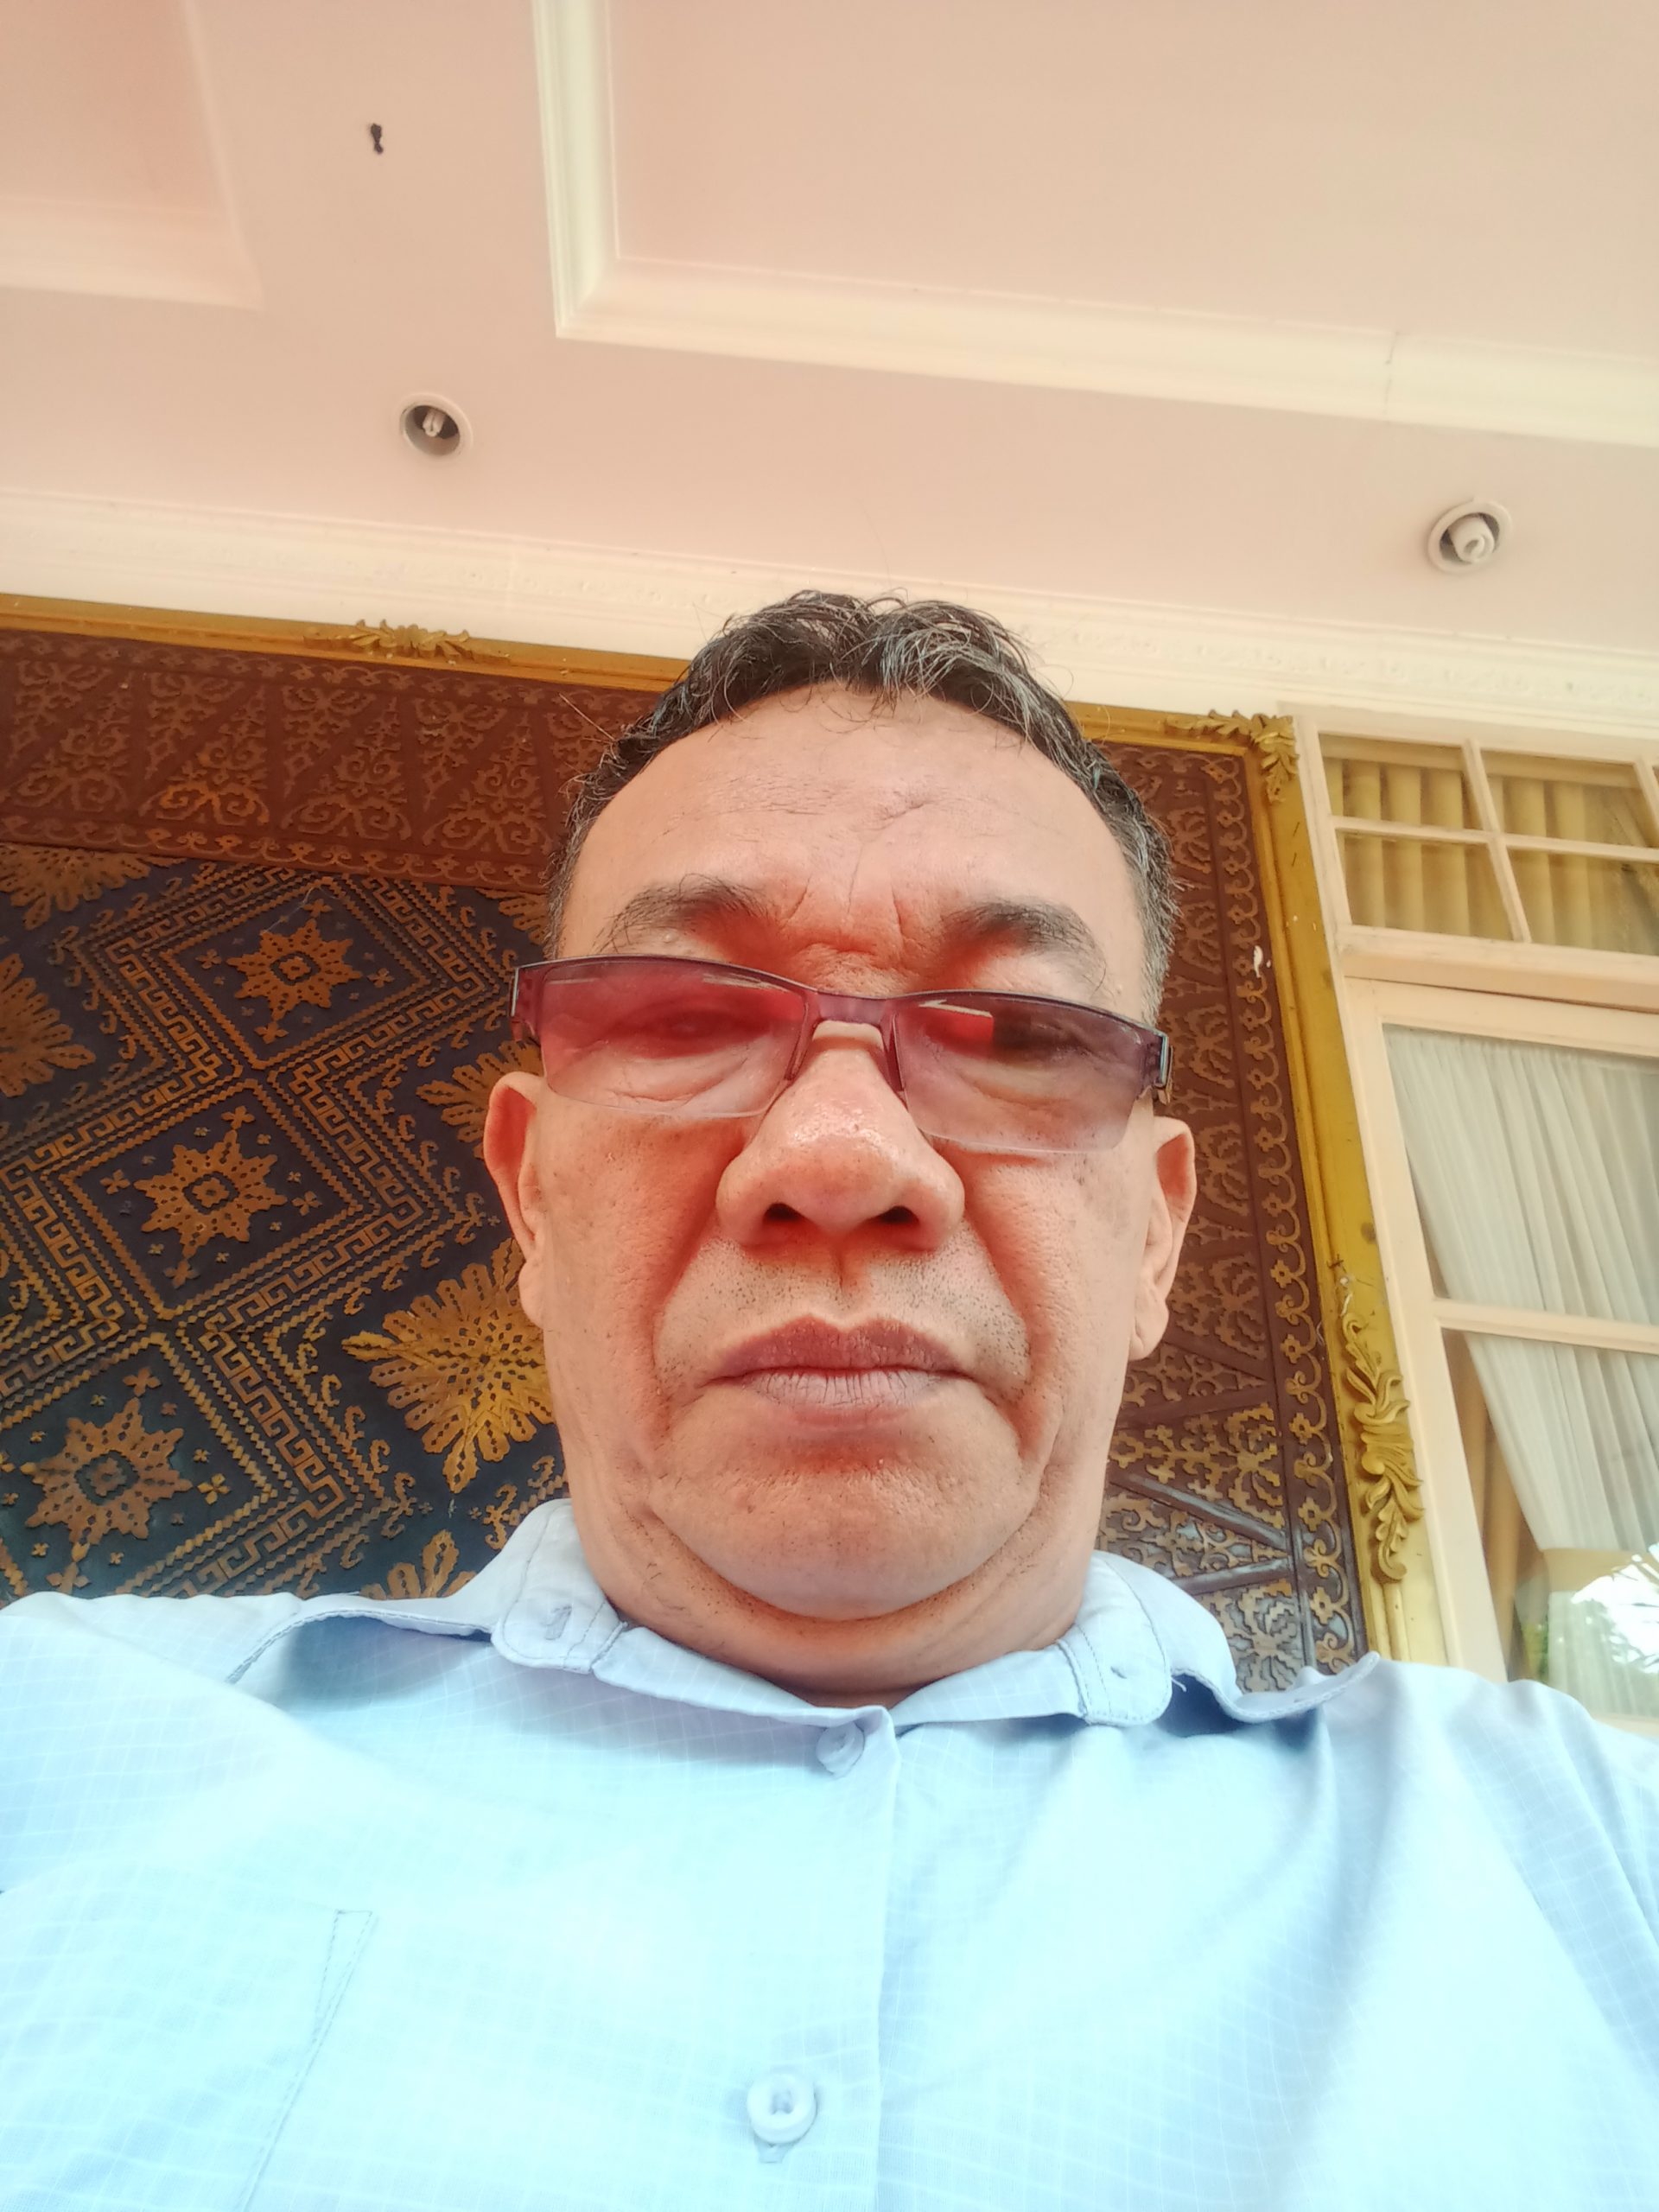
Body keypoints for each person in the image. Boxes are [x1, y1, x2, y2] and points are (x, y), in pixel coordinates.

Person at [1, 594, 1654, 2212]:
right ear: (531, 1200)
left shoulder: (1583, 1866)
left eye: (1016, 1029)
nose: (841, 1156)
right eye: (686, 1013)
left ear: (1154, 1236)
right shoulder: (55, 1752)